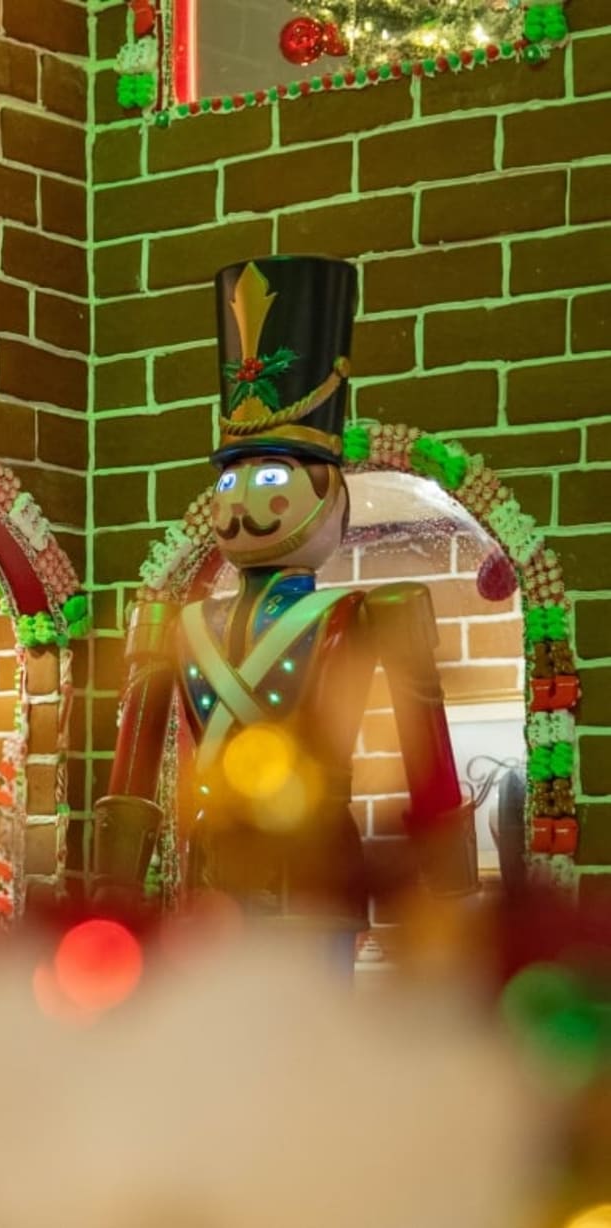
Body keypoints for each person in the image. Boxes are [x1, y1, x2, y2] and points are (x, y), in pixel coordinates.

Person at [89, 257, 476, 944]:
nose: (243, 499)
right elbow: (132, 770)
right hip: (207, 881)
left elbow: (430, 768)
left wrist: (450, 898)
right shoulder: (174, 622)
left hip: (318, 878)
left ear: (332, 497)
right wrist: (113, 893)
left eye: (270, 475)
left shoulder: (370, 612)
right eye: (232, 480)